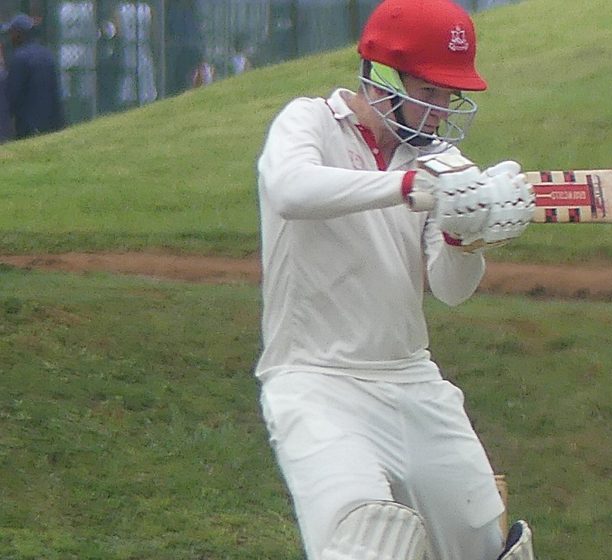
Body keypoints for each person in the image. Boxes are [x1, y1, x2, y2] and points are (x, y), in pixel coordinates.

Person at [253, 0, 537, 559]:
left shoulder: (445, 163)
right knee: (367, 545)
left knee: (489, 549)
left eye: (447, 97)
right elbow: (290, 191)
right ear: (380, 75)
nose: (438, 112)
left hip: (412, 379)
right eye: (428, 92)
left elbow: (452, 289)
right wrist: (406, 187)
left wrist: (467, 236)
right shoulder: (309, 121)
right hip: (315, 380)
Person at [3, 13, 64, 139]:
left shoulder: (19, 58)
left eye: (12, 33)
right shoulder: (47, 54)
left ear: (19, 33)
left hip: (27, 125)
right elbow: (56, 91)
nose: (11, 37)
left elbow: (13, 94)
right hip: (50, 121)